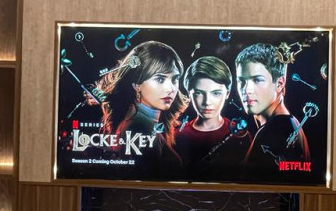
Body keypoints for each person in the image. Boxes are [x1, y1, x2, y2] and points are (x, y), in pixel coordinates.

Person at [97, 41, 187, 171]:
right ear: (136, 85)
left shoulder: (135, 121)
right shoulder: (142, 129)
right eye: (160, 79)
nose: (171, 89)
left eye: (174, 79)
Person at [235, 43, 310, 176]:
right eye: (241, 81)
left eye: (257, 80)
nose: (247, 90)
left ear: (280, 84)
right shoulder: (290, 123)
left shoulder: (274, 130)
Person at [176, 56, 251, 177]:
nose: (207, 102)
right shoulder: (177, 136)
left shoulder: (241, 135)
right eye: (199, 93)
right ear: (189, 94)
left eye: (216, 93)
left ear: (227, 94)